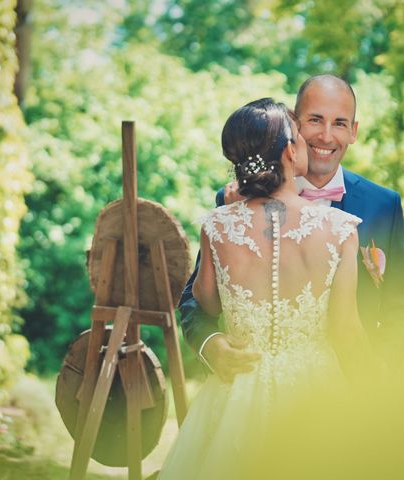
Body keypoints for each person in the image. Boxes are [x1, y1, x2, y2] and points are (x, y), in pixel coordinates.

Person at [158, 98, 369, 480]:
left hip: (237, 387)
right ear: (290, 151)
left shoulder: (217, 225)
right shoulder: (340, 230)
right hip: (314, 390)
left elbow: (204, 300)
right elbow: (345, 329)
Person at [180, 75, 404, 379]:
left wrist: (377, 373)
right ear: (294, 124)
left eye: (340, 123)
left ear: (353, 131)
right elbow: (195, 301)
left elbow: (402, 307)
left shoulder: (383, 205)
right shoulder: (232, 203)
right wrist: (210, 346)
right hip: (251, 381)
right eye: (316, 120)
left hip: (352, 394)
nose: (327, 136)